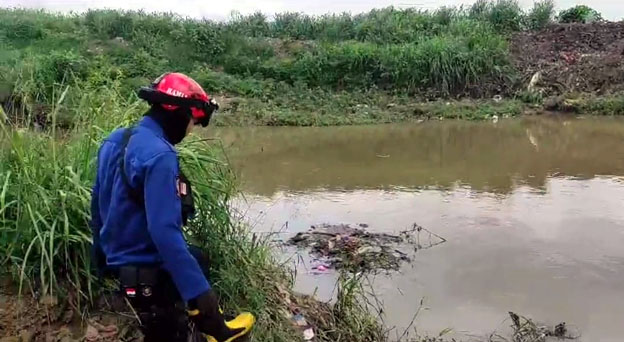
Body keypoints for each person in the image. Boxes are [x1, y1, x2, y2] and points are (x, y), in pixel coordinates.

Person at [90, 72, 255, 342]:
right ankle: (207, 326)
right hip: (147, 269)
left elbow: (97, 208)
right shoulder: (160, 154)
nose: (191, 129)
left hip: (116, 262)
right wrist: (202, 297)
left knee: (198, 256)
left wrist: (100, 260)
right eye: (193, 120)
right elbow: (164, 231)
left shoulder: (113, 140)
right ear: (177, 113)